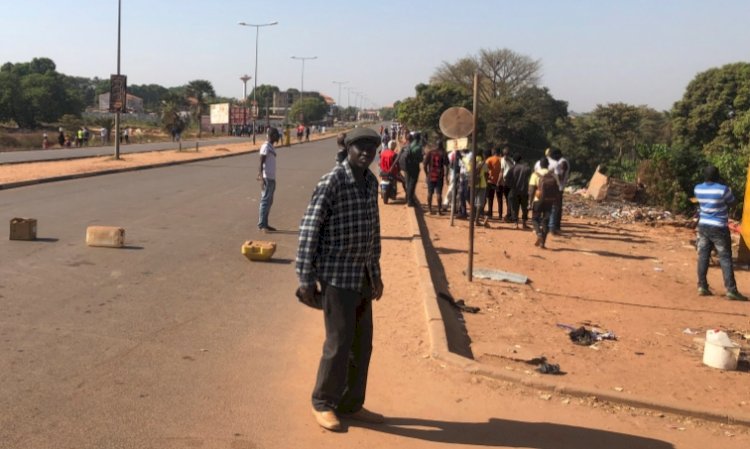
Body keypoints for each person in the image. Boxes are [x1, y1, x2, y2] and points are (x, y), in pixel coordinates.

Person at [296, 127, 385, 432]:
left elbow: (373, 231)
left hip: (361, 275)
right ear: (348, 149)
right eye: (360, 147)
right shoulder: (332, 181)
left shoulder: (370, 182)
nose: (366, 153)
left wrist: (376, 274)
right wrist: (306, 279)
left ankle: (351, 404)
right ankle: (323, 402)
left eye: (371, 149)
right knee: (338, 343)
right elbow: (310, 231)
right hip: (335, 276)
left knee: (362, 344)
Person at [695, 165, 747, 301]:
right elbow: (733, 202)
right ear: (717, 176)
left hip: (703, 225)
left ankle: (702, 287)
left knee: (703, 256)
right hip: (719, 227)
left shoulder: (698, 188)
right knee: (725, 257)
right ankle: (731, 290)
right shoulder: (723, 189)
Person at [528, 157, 559, 248]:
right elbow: (557, 190)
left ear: (540, 165)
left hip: (538, 200)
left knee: (535, 218)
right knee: (546, 221)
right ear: (548, 165)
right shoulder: (554, 175)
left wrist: (530, 202)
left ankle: (538, 233)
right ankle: (543, 243)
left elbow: (531, 189)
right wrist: (556, 201)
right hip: (549, 201)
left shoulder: (535, 174)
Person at [257, 127, 281, 232]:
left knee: (269, 202)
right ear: (272, 136)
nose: (278, 137)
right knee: (265, 201)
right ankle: (262, 224)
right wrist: (261, 177)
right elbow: (261, 162)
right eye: (276, 135)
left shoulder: (270, 146)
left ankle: (265, 223)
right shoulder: (266, 146)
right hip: (266, 178)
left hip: (271, 178)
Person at [505, 153, 532, 229]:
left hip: (514, 191)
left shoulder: (512, 169)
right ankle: (524, 223)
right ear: (521, 160)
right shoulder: (526, 168)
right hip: (524, 191)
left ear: (514, 160)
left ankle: (516, 223)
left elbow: (507, 180)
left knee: (514, 207)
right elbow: (529, 173)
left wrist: (511, 186)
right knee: (524, 208)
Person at [423, 138, 449, 214]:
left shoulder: (430, 153)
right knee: (439, 193)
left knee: (430, 193)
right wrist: (446, 176)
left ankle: (430, 210)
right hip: (439, 176)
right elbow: (447, 166)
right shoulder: (443, 153)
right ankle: (439, 211)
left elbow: (424, 165)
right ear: (441, 145)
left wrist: (427, 174)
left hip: (431, 175)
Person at [548, 148, 570, 234]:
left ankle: (556, 226)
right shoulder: (561, 161)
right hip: (558, 187)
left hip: (559, 187)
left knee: (556, 207)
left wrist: (553, 176)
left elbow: (561, 176)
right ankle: (555, 226)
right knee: (556, 207)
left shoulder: (562, 162)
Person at [400, 132, 424, 207]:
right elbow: (420, 159)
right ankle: (410, 201)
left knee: (408, 182)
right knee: (412, 183)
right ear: (419, 138)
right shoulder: (418, 146)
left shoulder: (409, 145)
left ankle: (408, 198)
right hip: (414, 166)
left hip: (407, 166)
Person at [484, 147, 503, 220]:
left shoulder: (489, 159)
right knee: (500, 198)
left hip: (491, 181)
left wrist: (488, 177)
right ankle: (500, 215)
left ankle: (490, 214)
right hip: (500, 181)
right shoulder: (502, 159)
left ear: (493, 152)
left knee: (490, 198)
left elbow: (486, 170)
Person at [499, 147, 515, 221]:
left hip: (506, 180)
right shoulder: (513, 160)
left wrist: (498, 181)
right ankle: (510, 214)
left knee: (508, 198)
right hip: (512, 180)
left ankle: (509, 215)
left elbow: (501, 172)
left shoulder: (502, 160)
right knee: (510, 198)